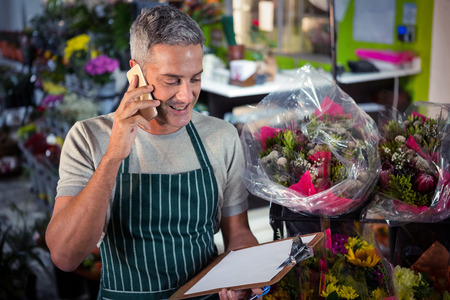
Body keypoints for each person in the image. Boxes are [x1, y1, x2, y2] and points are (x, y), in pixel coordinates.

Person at [45, 5, 261, 300]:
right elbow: (65, 256)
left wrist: (244, 274)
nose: (186, 96)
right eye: (172, 80)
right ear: (136, 71)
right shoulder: (89, 137)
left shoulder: (220, 136)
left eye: (195, 78)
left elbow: (238, 234)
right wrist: (113, 157)